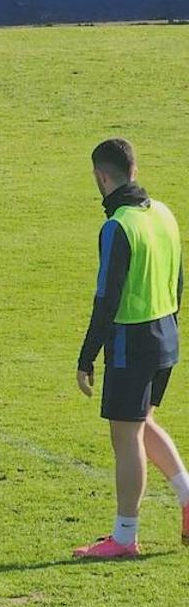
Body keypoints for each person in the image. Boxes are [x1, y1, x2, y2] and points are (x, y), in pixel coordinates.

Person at [73, 138, 189, 559]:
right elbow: (178, 282)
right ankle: (188, 496)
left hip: (131, 341)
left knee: (125, 437)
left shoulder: (118, 225)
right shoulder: (163, 213)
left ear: (102, 177)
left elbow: (107, 298)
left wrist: (87, 358)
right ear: (134, 169)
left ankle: (124, 537)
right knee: (141, 424)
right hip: (167, 336)